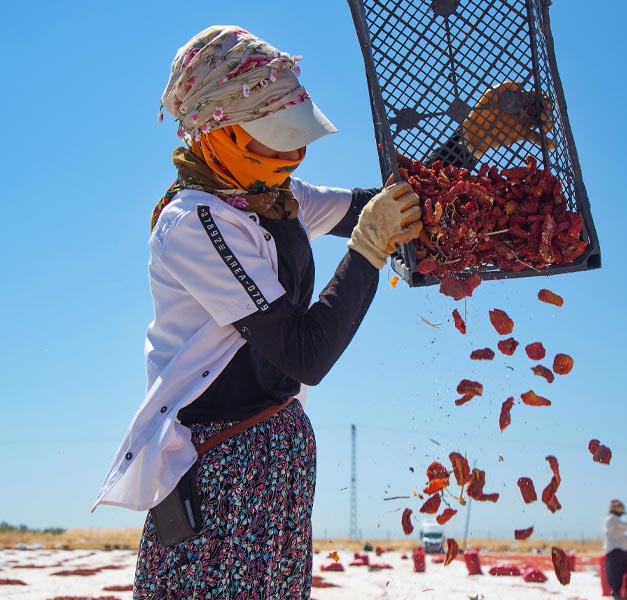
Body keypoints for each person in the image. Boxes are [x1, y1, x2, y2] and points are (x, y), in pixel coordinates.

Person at [91, 25, 546, 600]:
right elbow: (305, 353)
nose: (291, 154)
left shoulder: (273, 195)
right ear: (214, 134)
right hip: (220, 471)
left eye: (294, 138)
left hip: (275, 460)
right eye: (271, 140)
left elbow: (389, 207)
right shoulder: (196, 224)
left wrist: (472, 142)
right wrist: (368, 248)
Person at [604, 499, 627, 600]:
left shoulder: (610, 519)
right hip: (617, 550)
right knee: (616, 574)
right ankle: (617, 593)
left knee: (615, 574)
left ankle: (617, 593)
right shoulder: (612, 519)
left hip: (614, 550)